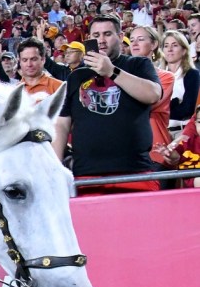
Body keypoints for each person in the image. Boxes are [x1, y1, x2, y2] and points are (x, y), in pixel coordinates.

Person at [53, 15, 162, 194]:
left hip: (135, 172)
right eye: (96, 35)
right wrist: (55, 167)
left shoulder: (137, 64)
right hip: (86, 175)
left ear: (120, 37)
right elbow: (62, 124)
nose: (101, 40)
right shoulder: (76, 76)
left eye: (107, 34)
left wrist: (111, 71)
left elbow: (153, 94)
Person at [129, 26, 175, 168]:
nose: (134, 44)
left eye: (141, 39)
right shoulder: (120, 76)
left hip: (155, 150)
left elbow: (148, 103)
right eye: (131, 40)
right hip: (126, 151)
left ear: (154, 45)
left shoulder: (166, 77)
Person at [161, 30, 200, 137]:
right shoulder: (158, 74)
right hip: (160, 130)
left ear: (183, 50)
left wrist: (163, 109)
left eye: (174, 45)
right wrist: (174, 104)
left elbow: (188, 109)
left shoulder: (192, 74)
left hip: (182, 132)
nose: (169, 49)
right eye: (166, 45)